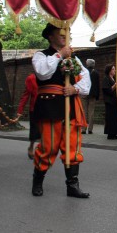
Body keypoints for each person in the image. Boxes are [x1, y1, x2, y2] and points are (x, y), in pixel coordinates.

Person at [31, 23, 91, 198]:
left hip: (70, 106)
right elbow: (43, 73)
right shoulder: (41, 55)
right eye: (61, 33)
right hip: (49, 106)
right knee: (48, 148)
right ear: (51, 36)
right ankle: (38, 179)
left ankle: (72, 186)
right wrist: (59, 55)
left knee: (73, 147)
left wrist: (75, 89)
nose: (66, 36)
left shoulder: (74, 59)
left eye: (68, 33)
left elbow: (86, 81)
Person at [17, 73, 40, 160]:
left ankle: (42, 150)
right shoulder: (31, 79)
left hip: (47, 107)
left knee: (45, 130)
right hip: (34, 108)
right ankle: (31, 146)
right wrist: (20, 110)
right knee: (34, 130)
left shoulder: (50, 76)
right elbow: (26, 95)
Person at [102, 64, 117, 140]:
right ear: (109, 70)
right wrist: (115, 85)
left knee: (115, 117)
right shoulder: (106, 79)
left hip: (114, 101)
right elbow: (107, 90)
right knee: (110, 118)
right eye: (113, 69)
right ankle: (110, 134)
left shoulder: (113, 78)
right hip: (109, 101)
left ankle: (114, 133)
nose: (115, 70)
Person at [82, 59, 100, 135]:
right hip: (92, 94)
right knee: (91, 112)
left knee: (84, 111)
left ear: (87, 64)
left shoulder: (84, 72)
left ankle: (83, 128)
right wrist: (97, 95)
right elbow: (97, 85)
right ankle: (90, 129)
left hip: (85, 93)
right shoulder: (96, 73)